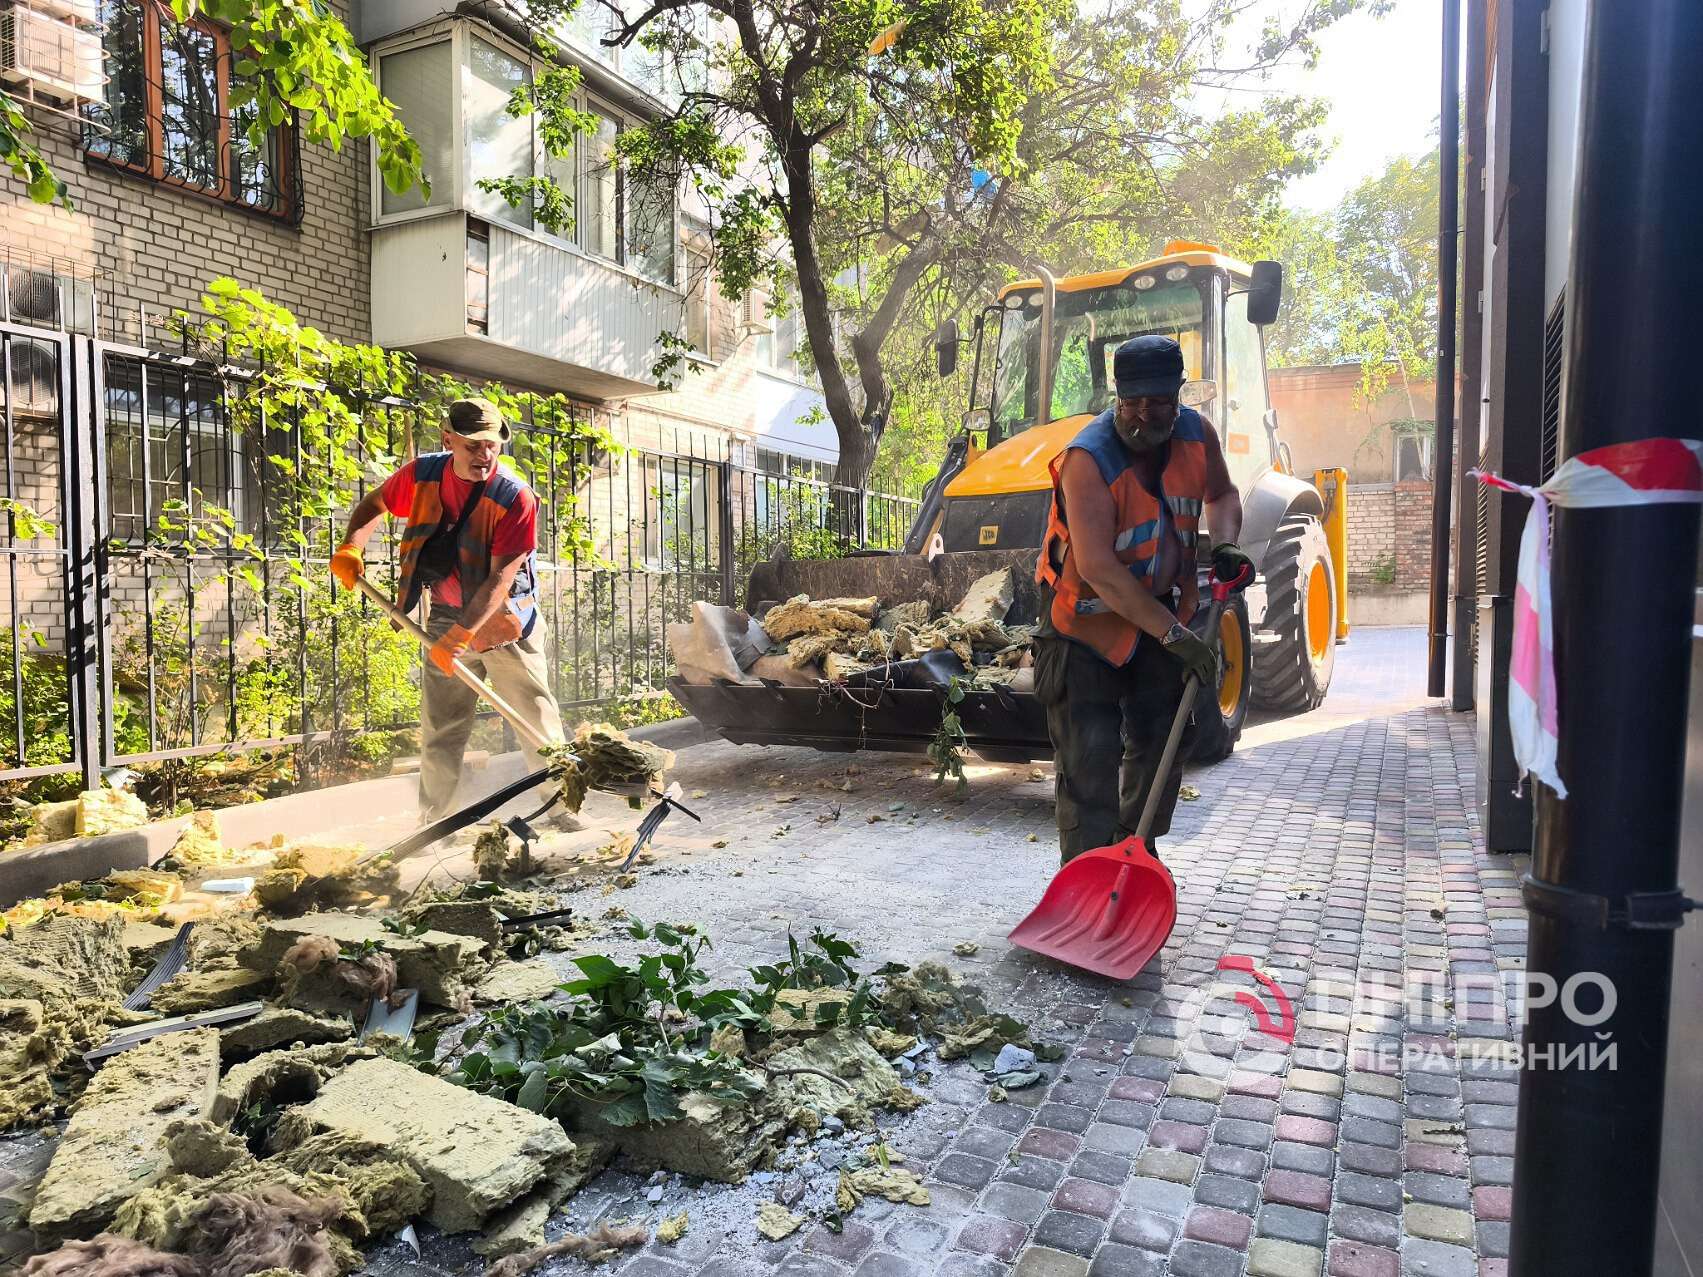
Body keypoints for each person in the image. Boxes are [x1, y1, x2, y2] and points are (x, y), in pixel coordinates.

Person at [1033, 335, 1253, 864]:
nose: (1142, 415)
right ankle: (1086, 872)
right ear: (1118, 396)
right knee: (1090, 755)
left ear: (1178, 398)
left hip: (1155, 614)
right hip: (1082, 627)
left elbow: (1221, 495)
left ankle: (1136, 854)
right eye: (1132, 402)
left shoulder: (1198, 438)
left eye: (1157, 403)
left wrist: (1224, 541)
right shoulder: (1089, 459)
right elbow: (1100, 569)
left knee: (1163, 739)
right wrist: (1177, 636)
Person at [329, 397, 565, 824]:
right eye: (473, 445)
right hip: (445, 612)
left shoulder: (514, 496)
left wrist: (460, 638)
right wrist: (352, 546)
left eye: (492, 445)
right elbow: (372, 505)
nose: (484, 455)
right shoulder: (423, 475)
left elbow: (500, 579)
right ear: (448, 439)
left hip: (503, 622)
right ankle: (438, 818)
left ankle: (563, 805)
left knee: (534, 720)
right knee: (442, 725)